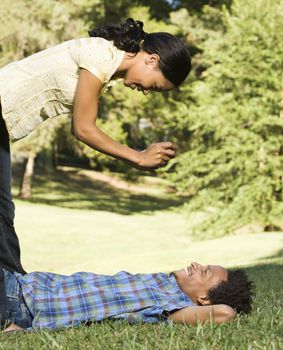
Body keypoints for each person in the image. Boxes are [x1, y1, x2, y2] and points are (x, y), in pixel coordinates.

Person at [0, 18, 191, 306]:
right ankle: (15, 300)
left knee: (3, 212)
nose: (147, 91)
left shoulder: (108, 69)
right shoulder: (100, 56)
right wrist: (137, 157)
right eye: (157, 86)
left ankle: (17, 294)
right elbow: (84, 128)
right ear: (152, 60)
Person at [2, 261, 254, 332]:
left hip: (20, 303)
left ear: (205, 300)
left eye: (205, 272)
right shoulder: (162, 281)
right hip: (21, 284)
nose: (196, 264)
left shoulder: (172, 307)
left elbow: (226, 313)